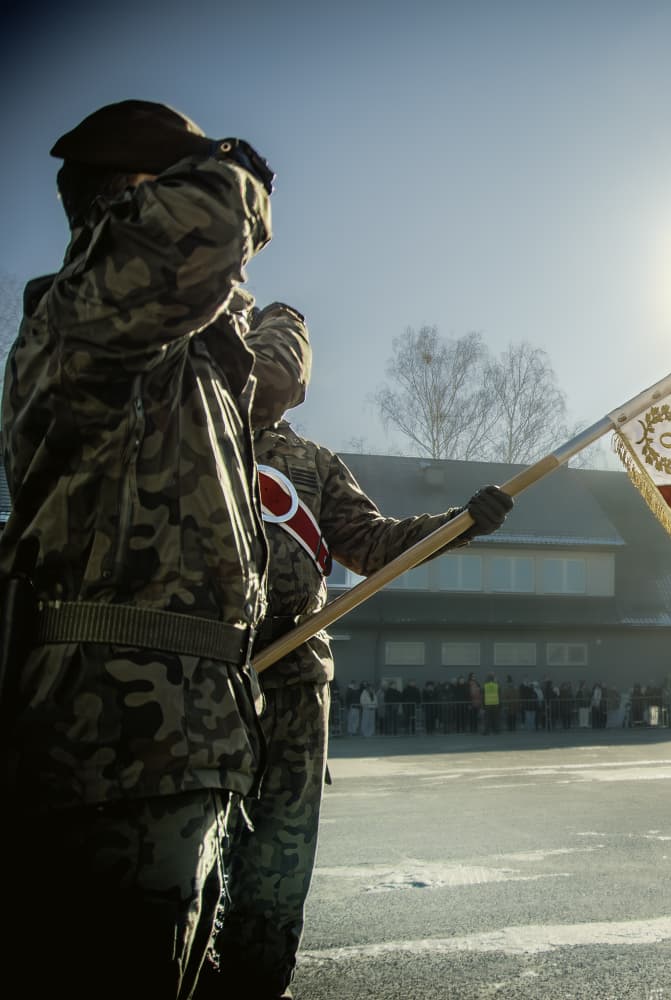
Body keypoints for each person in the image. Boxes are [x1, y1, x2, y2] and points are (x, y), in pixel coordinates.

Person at [0, 101, 276, 999]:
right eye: (175, 182)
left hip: (174, 745)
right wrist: (231, 172)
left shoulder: (169, 360)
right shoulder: (83, 318)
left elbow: (263, 350)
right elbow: (211, 224)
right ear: (129, 203)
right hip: (112, 750)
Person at [200, 304, 514, 998]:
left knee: (281, 851)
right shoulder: (195, 433)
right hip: (203, 671)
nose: (274, 373)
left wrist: (461, 523)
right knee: (188, 842)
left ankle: (258, 983)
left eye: (289, 363)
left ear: (300, 387)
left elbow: (373, 545)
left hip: (294, 675)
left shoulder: (313, 464)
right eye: (264, 355)